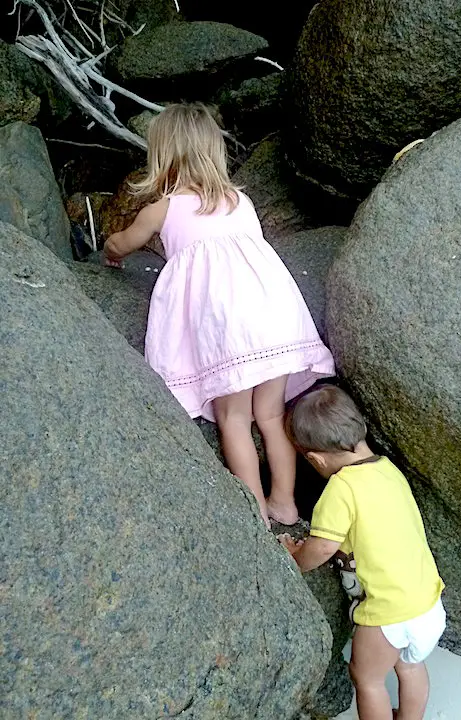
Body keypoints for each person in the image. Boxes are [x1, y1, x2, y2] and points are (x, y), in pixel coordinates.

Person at [103, 103, 335, 528]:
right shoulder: (241, 201)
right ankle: (285, 500)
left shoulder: (164, 208)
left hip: (229, 329)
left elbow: (123, 243)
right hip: (273, 316)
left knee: (234, 418)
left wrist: (108, 252)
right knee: (270, 415)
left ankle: (256, 515)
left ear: (163, 154)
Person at [279, 385, 445, 720]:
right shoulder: (388, 470)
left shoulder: (341, 488)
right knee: (410, 668)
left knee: (367, 679)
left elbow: (323, 547)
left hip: (388, 615)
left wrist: (296, 557)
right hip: (428, 605)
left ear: (315, 459)